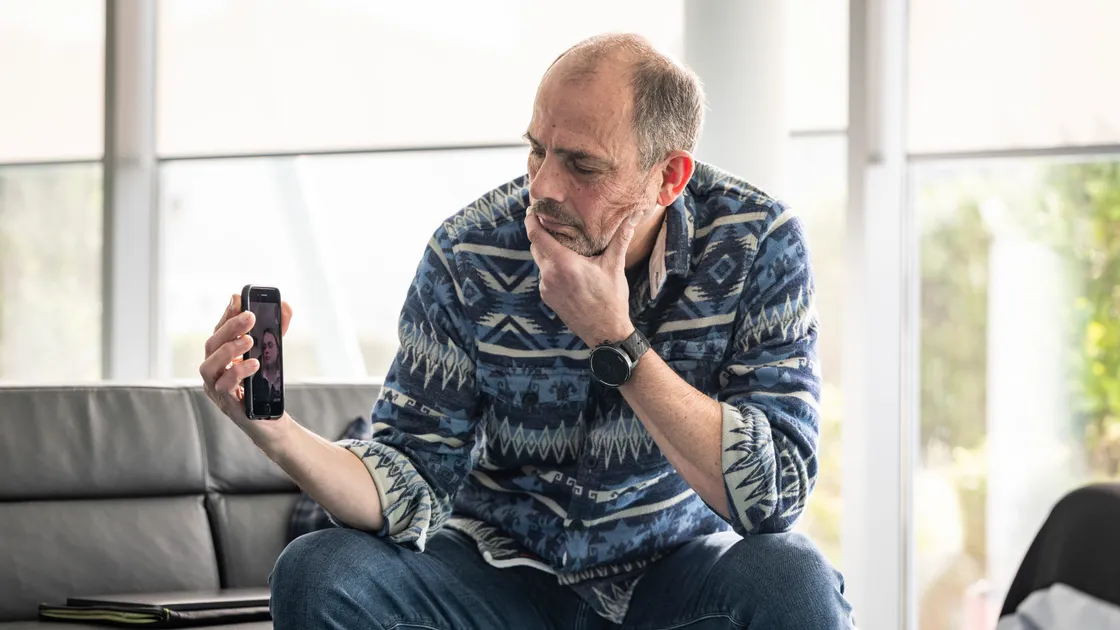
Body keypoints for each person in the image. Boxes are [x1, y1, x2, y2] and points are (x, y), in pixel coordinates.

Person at [200, 33, 854, 629]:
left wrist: (615, 339)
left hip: (669, 574)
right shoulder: (469, 253)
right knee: (319, 569)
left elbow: (774, 497)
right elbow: (409, 479)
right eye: (537, 150)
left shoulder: (755, 244)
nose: (543, 187)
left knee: (791, 576)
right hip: (495, 573)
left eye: (583, 166)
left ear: (668, 177)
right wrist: (273, 429)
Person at [250, 327, 282, 403]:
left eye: (270, 345)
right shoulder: (257, 378)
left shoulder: (282, 378)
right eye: (264, 347)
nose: (266, 350)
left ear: (278, 349)